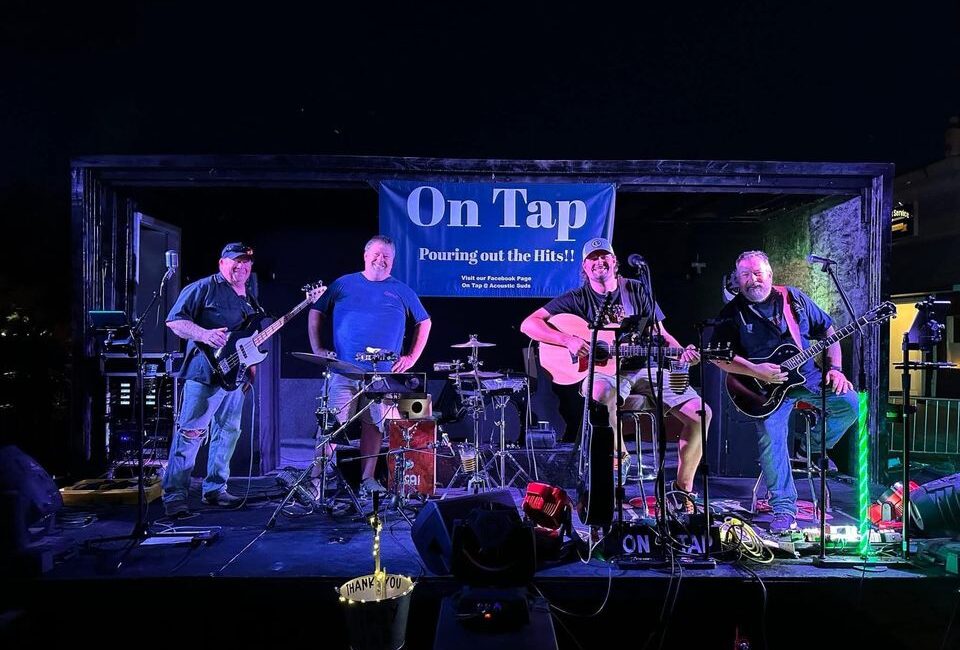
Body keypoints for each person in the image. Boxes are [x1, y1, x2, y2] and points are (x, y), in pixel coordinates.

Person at [520, 237, 711, 504]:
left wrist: (682, 353)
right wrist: (569, 340)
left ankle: (683, 490)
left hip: (645, 368)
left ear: (615, 262)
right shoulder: (576, 299)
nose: (599, 262)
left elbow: (662, 334)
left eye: (604, 256)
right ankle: (619, 455)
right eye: (593, 258)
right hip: (605, 373)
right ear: (584, 268)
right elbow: (528, 325)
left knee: (701, 413)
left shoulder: (636, 290)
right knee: (599, 391)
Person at [711, 250, 858, 534]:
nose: (752, 280)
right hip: (765, 389)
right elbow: (719, 357)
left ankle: (812, 446)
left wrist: (836, 368)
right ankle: (783, 509)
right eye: (745, 275)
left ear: (769, 275)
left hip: (808, 377)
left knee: (850, 403)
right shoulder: (732, 313)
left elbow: (829, 331)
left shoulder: (794, 298)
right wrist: (757, 372)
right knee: (771, 438)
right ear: (738, 280)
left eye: (757, 273)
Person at [308, 235, 432, 494]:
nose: (381, 259)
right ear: (365, 255)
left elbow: (425, 322)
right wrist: (318, 350)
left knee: (373, 426)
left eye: (386, 256)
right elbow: (316, 310)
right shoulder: (343, 284)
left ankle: (367, 480)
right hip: (343, 371)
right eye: (376, 254)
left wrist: (411, 358)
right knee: (330, 425)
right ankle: (315, 482)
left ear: (393, 261)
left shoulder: (401, 290)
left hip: (380, 377)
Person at [161, 242, 260, 518]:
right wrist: (204, 335)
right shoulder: (202, 288)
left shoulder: (248, 296)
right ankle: (175, 496)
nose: (241, 267)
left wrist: (251, 366)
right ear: (222, 263)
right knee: (191, 433)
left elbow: (248, 338)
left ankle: (215, 488)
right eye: (235, 262)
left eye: (246, 262)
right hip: (203, 374)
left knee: (228, 432)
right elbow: (174, 321)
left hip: (235, 376)